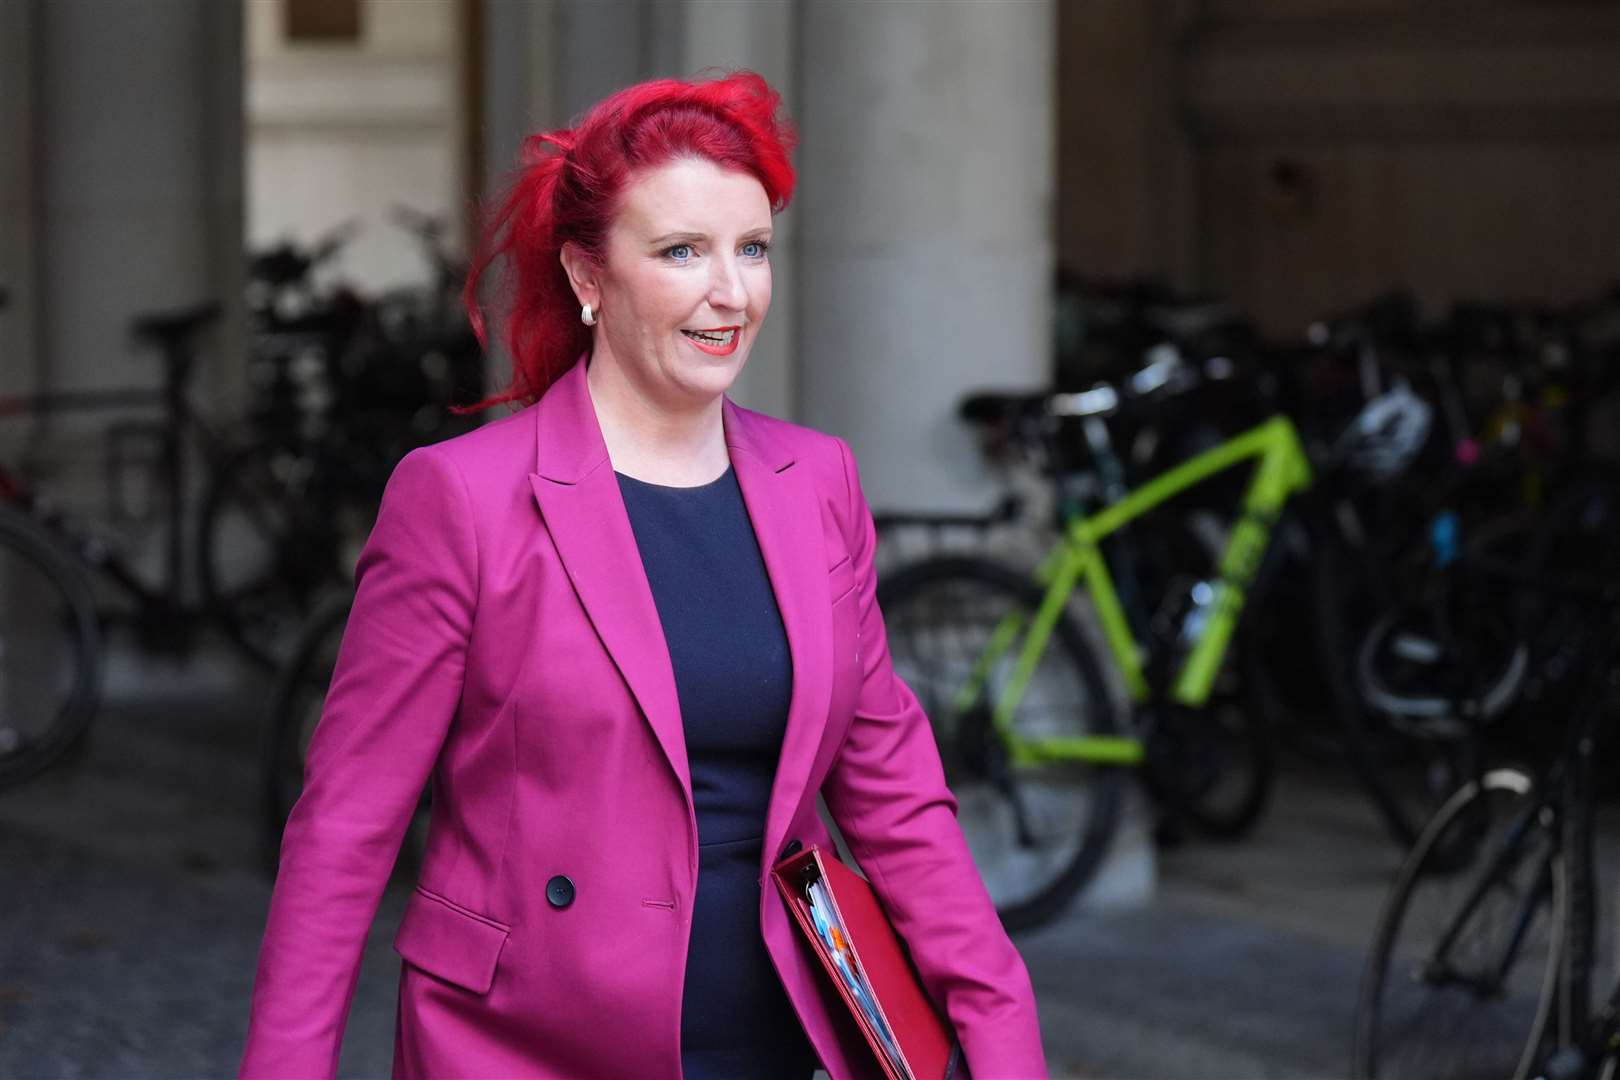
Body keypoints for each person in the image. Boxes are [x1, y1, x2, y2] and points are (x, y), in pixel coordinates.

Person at [238, 71, 1047, 1080]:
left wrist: (1002, 1035)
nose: (732, 292)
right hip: (520, 1045)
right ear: (587, 274)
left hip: (771, 1040)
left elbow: (895, 799)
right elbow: (347, 827)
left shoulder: (817, 482)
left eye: (752, 249)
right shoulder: (462, 499)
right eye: (681, 252)